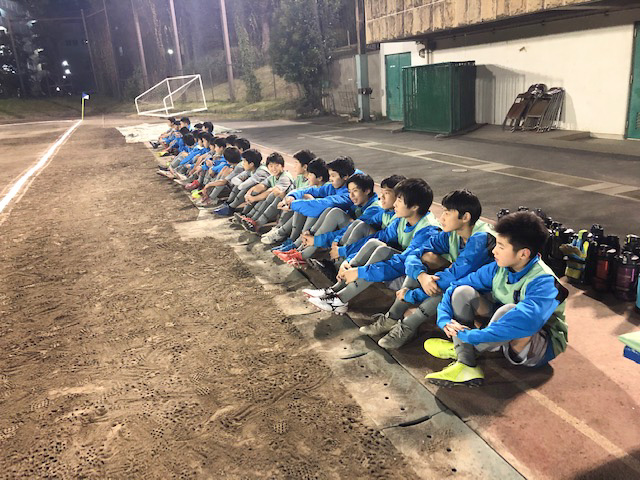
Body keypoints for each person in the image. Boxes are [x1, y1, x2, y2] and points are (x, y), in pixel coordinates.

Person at [424, 211, 569, 387]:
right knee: (463, 292)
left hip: (537, 345)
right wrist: (444, 319)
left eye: (501, 246)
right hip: (500, 328)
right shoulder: (499, 267)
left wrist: (468, 336)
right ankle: (465, 359)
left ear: (523, 254)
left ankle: (465, 352)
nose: (494, 250)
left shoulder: (544, 281)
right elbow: (455, 286)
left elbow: (526, 323)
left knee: (510, 311)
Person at [361, 189, 496, 350]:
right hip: (461, 286)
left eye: (447, 213)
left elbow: (455, 277)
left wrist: (412, 295)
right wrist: (421, 275)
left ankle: (408, 326)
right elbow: (415, 253)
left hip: (488, 300)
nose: (442, 217)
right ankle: (392, 317)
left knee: (445, 286)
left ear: (465, 217)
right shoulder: (452, 233)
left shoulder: (481, 238)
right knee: (425, 262)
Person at [305, 178, 440, 314]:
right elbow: (379, 237)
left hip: (419, 283)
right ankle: (334, 291)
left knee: (382, 251)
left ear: (415, 206)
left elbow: (402, 262)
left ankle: (340, 300)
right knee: (374, 243)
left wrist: (359, 272)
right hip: (398, 269)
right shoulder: (402, 219)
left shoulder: (428, 230)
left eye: (399, 200)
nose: (395, 203)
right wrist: (349, 260)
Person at [287, 173, 382, 265]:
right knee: (329, 210)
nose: (351, 196)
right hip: (348, 237)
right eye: (349, 192)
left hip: (362, 245)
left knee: (336, 213)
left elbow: (352, 228)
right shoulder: (359, 203)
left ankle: (302, 255)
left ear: (367, 191)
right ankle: (299, 248)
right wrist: (312, 232)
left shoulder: (374, 209)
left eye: (355, 191)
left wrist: (317, 240)